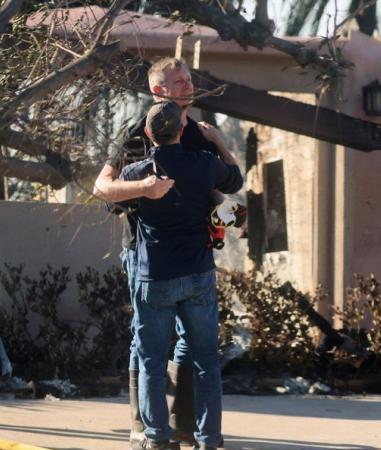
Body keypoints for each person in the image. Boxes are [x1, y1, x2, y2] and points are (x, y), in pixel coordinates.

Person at [93, 57, 240, 445]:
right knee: (145, 345)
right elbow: (102, 188)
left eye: (189, 79)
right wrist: (143, 188)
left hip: (194, 254)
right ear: (158, 91)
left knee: (186, 344)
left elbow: (221, 191)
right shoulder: (136, 134)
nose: (187, 86)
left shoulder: (202, 136)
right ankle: (143, 426)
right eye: (178, 82)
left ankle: (178, 422)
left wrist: (228, 218)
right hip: (142, 253)